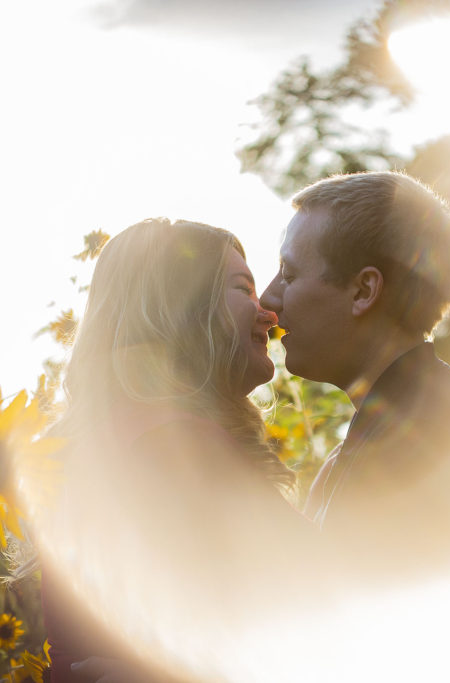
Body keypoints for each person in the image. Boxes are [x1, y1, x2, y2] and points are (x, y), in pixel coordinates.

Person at [37, 218, 318, 683]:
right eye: (242, 288)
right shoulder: (175, 445)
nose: (268, 310)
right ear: (182, 309)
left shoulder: (118, 437)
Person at [259, 170, 450, 580]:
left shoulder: (412, 448)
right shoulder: (409, 419)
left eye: (289, 275)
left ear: (363, 291)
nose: (268, 299)